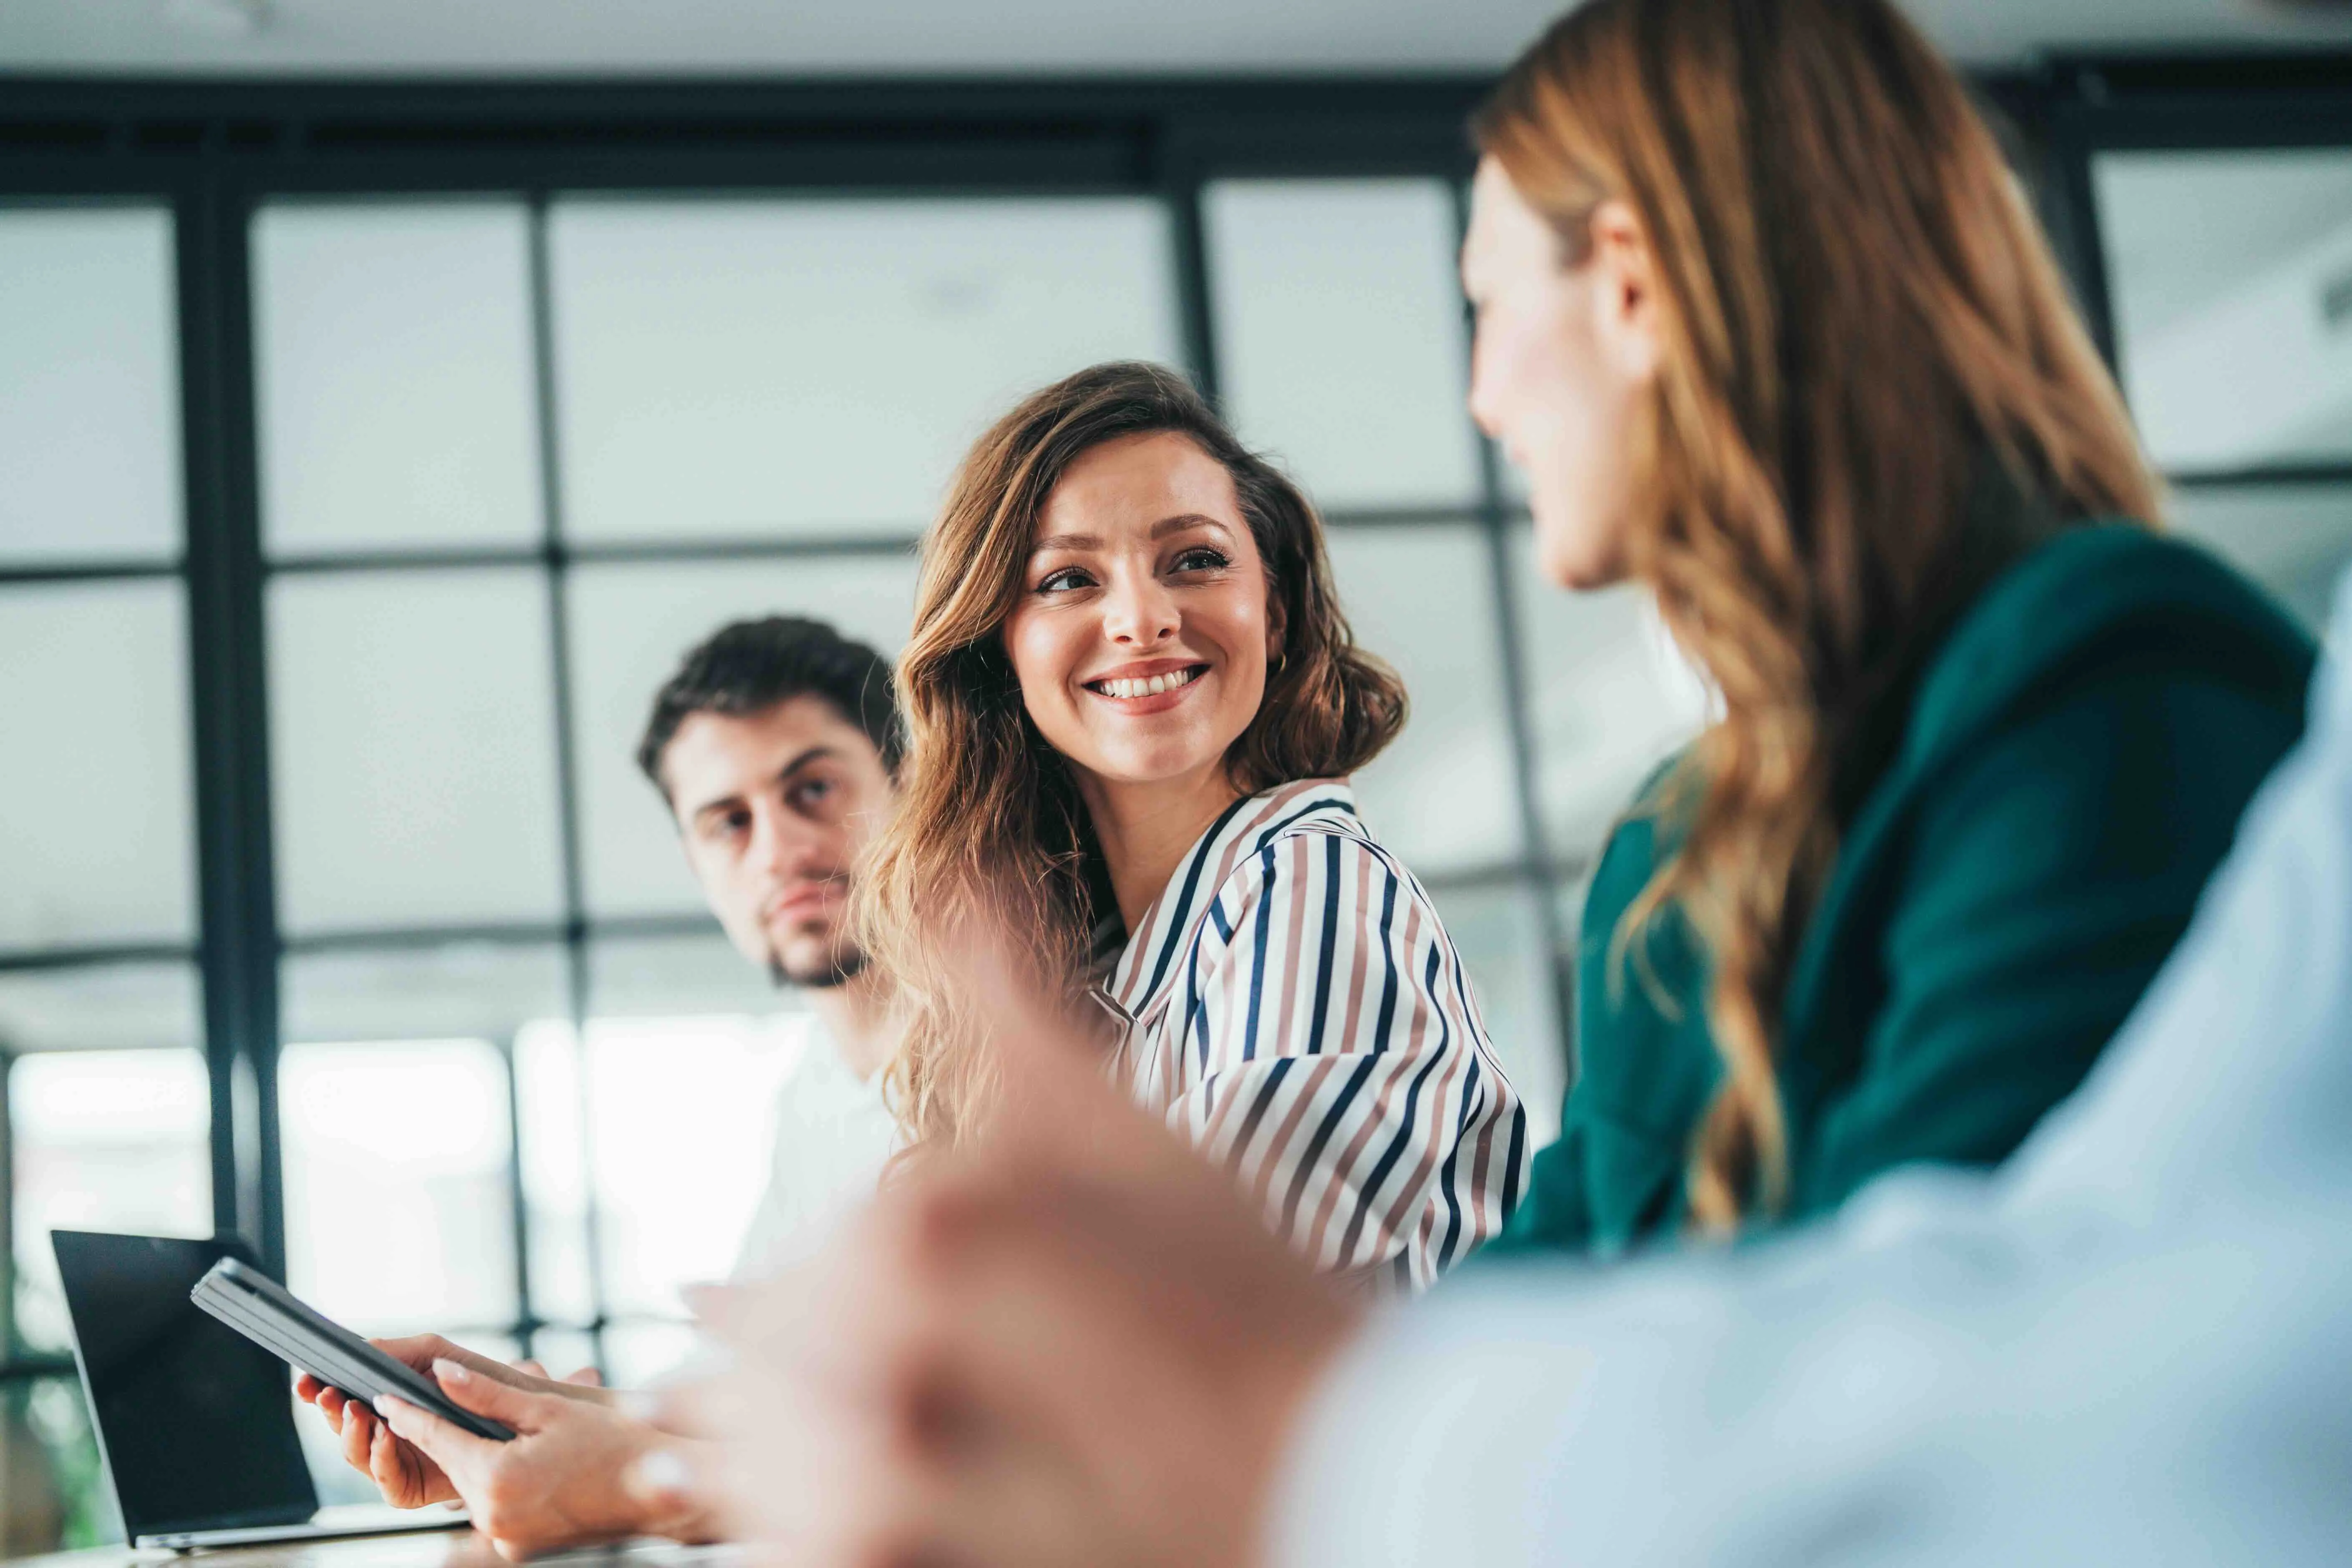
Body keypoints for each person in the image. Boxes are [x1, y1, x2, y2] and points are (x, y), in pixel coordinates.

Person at [674, 558, 2352, 1567]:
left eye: (809, 789)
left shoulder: (1300, 869)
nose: (1485, 385)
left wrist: (681, 1456)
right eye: (723, 824)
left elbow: (1215, 1349)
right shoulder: (1119, 987)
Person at [855, 360, 1528, 1290]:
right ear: (997, 649)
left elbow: (1201, 1320)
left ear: (1276, 614)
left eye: (1196, 560)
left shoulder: (1312, 889)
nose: (1142, 619)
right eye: (1068, 579)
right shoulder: (1080, 967)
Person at [301, 615, 907, 1559]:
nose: (778, 849)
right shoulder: (812, 1088)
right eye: (727, 821)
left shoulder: (1028, 1070)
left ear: (912, 789)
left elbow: (952, 1449)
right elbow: (752, 1393)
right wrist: (508, 1402)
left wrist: (618, 1485)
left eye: (814, 788)